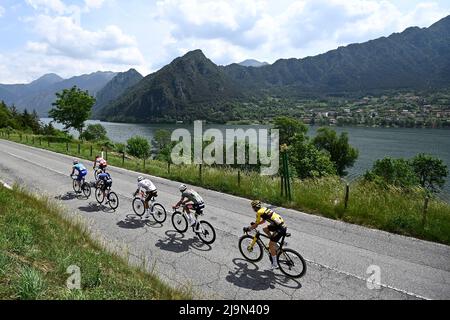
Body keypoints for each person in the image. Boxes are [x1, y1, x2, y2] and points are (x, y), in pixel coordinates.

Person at [245, 200, 287, 270]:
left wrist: (249, 228)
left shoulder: (258, 212)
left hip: (279, 228)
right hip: (281, 225)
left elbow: (255, 226)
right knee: (265, 229)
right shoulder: (264, 209)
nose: (253, 209)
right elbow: (263, 221)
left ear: (255, 207)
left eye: (253, 207)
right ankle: (274, 242)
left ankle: (275, 264)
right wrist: (257, 224)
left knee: (270, 245)